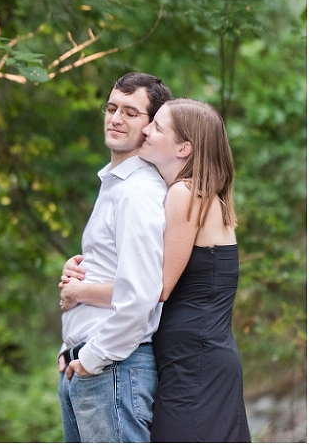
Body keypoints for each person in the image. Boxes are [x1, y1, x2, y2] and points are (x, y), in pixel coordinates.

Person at [60, 98, 251, 442]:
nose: (146, 129)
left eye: (157, 127)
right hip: (192, 354)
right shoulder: (195, 192)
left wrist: (80, 292)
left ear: (184, 148)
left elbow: (156, 288)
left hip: (195, 362)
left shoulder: (184, 193)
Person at [57, 72, 172, 442]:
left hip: (113, 368)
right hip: (88, 365)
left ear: (151, 125)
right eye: (111, 108)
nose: (116, 118)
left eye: (131, 112)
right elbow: (109, 271)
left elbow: (141, 293)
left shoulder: (138, 193)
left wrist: (91, 358)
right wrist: (69, 349)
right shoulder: (115, 185)